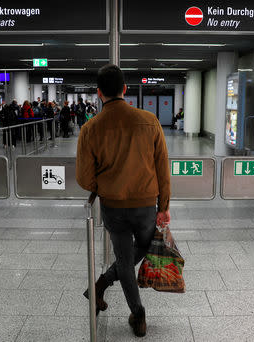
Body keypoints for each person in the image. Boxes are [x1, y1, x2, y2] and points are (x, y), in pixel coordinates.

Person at [76, 64, 171, 338]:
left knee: (125, 258)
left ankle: (123, 302)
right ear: (125, 89)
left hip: (113, 206)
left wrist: (104, 186)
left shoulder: (90, 128)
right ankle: (121, 301)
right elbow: (162, 168)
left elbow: (84, 178)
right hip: (145, 205)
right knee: (139, 250)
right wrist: (163, 206)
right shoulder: (149, 120)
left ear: (99, 93)